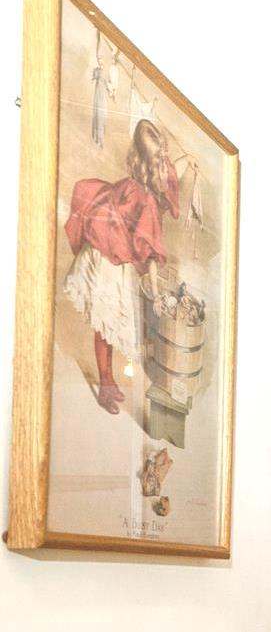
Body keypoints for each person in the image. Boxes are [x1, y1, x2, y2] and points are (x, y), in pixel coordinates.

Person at [61, 117, 187, 415]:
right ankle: (106, 383)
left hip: (105, 254)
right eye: (161, 166)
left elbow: (171, 170)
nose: (166, 175)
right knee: (106, 324)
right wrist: (156, 294)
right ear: (151, 166)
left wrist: (187, 160)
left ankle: (107, 380)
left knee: (106, 325)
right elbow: (152, 252)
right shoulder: (145, 199)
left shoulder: (134, 183)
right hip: (106, 261)